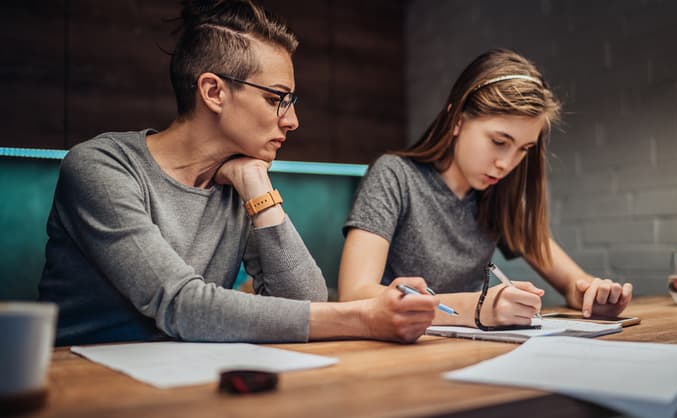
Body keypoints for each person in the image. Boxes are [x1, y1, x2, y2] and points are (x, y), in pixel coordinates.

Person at [38, 0, 437, 346]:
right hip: (84, 386)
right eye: (277, 99)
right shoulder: (100, 165)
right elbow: (181, 305)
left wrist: (257, 187)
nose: (293, 121)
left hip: (189, 378)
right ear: (213, 92)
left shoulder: (237, 181)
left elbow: (304, 302)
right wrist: (364, 317)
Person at [338, 49, 633, 328]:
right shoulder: (394, 176)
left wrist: (592, 295)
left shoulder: (500, 194)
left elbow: (572, 282)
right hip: (390, 355)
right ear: (457, 120)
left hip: (468, 351)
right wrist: (479, 307)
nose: (507, 164)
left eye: (523, 149)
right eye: (499, 142)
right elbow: (354, 294)